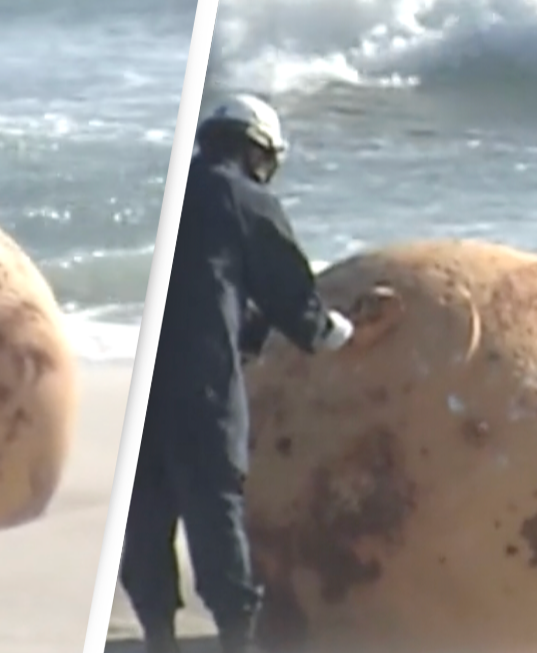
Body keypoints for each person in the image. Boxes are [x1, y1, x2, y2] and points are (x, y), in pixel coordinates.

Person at [118, 93, 357, 653]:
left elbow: (205, 292)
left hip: (141, 378)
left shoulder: (172, 191)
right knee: (214, 506)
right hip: (200, 385)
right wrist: (342, 334)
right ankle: (236, 638)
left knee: (146, 512)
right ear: (257, 150)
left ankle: (159, 637)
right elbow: (295, 304)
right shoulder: (244, 198)